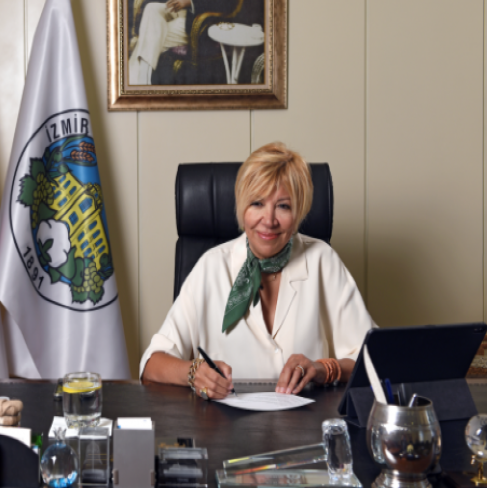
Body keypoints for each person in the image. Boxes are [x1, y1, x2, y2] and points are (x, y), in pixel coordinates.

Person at [140, 143, 376, 399]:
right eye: (257, 203)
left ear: (299, 212)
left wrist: (324, 369)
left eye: (283, 206)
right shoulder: (211, 266)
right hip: (225, 421)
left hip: (307, 420)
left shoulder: (323, 260)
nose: (269, 220)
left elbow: (373, 359)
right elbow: (151, 364)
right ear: (242, 207)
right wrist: (194, 372)